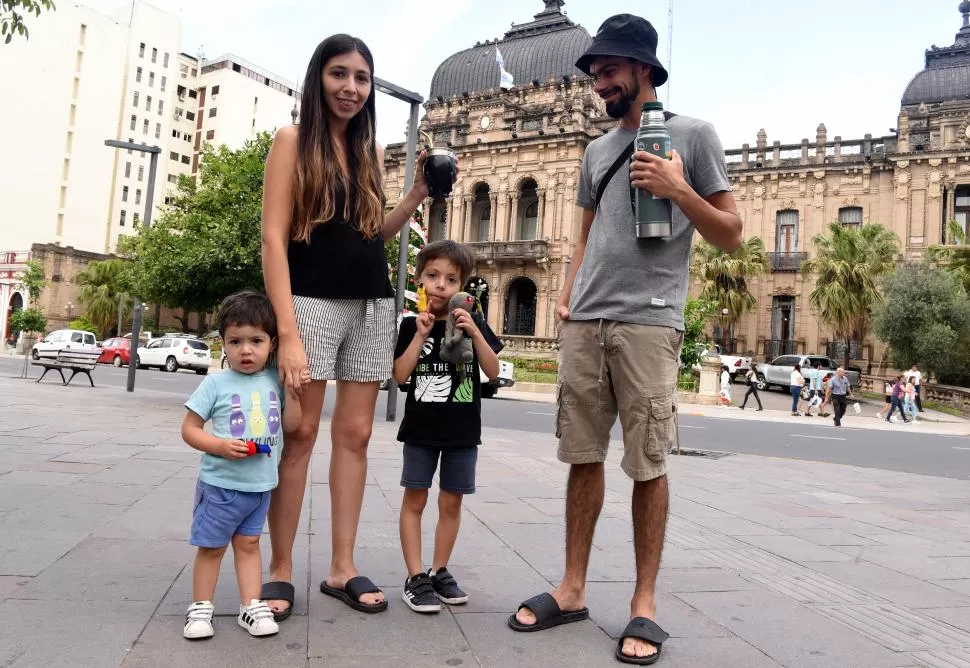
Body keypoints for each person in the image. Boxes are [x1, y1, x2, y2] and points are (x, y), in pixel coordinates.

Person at [507, 13, 742, 666]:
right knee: (582, 455)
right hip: (587, 321)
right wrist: (566, 292)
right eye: (594, 72)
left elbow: (731, 232)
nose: (599, 82)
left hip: (649, 323)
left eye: (608, 69)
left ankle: (644, 603)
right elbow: (584, 235)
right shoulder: (595, 150)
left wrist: (677, 188)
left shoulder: (693, 135)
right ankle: (574, 586)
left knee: (647, 463)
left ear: (643, 68)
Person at [259, 34, 432, 619]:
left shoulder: (366, 154)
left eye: (361, 78)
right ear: (318, 79)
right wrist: (286, 329)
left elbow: (368, 237)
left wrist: (413, 197)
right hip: (309, 301)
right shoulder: (290, 142)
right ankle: (280, 569)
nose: (351, 88)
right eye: (340, 74)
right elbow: (273, 239)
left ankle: (342, 566)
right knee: (301, 433)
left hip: (371, 303)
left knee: (354, 435)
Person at [181, 291, 304, 639]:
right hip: (220, 484)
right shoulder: (216, 383)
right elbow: (189, 430)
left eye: (256, 341)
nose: (246, 350)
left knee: (249, 545)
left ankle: (251, 605)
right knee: (212, 547)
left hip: (260, 486)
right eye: (235, 342)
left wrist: (293, 393)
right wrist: (218, 445)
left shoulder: (273, 381)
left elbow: (292, 426)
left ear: (272, 343)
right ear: (223, 344)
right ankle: (201, 607)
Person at [393, 241, 502, 613]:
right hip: (421, 430)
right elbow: (400, 375)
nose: (441, 285)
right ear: (420, 279)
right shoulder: (411, 325)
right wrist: (421, 334)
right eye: (433, 276)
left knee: (451, 502)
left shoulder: (472, 323)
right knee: (415, 499)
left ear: (463, 286)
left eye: (451, 279)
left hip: (462, 432)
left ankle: (439, 570)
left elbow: (493, 372)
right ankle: (414, 576)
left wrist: (473, 332)